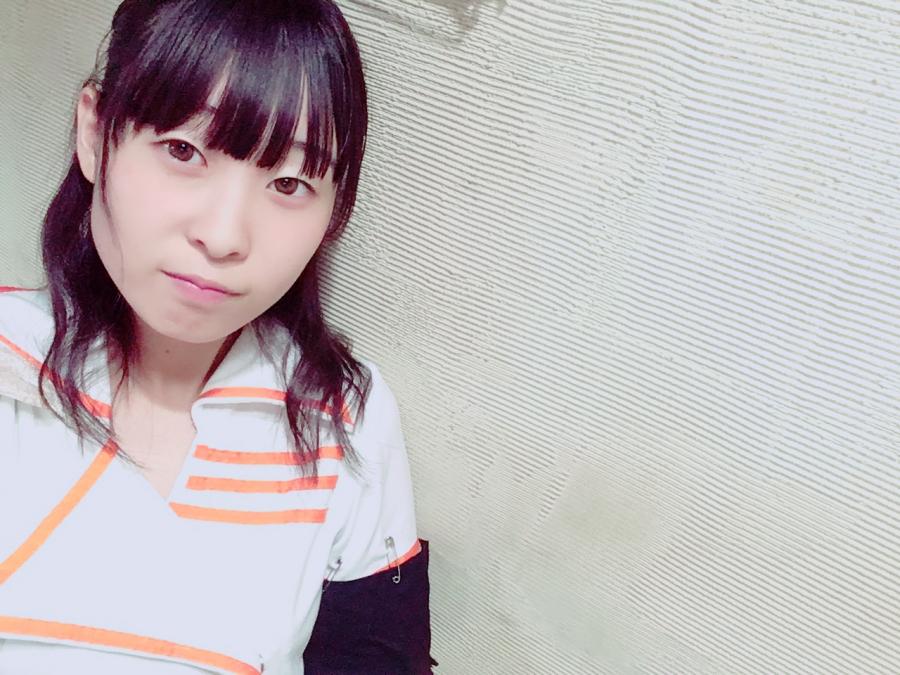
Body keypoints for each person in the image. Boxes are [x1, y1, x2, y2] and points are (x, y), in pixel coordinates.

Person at [0, 1, 434, 673]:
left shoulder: (344, 413)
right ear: (94, 133)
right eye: (183, 150)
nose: (225, 235)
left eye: (289, 182)